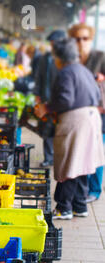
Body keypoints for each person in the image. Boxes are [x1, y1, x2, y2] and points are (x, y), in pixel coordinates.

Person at [34, 38, 105, 220]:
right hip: (91, 119)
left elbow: (66, 100)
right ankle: (80, 206)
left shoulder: (66, 72)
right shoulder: (84, 70)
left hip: (76, 121)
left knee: (68, 163)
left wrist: (46, 108)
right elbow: (97, 95)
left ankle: (64, 207)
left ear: (58, 57)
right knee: (82, 164)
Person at [69, 23, 105, 203]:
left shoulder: (100, 57)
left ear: (91, 39)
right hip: (77, 113)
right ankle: (79, 191)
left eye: (85, 38)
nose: (81, 42)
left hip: (98, 113)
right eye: (77, 39)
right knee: (80, 151)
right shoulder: (71, 59)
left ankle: (94, 190)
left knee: (96, 151)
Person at [33, 30, 67, 168]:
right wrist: (37, 94)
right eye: (52, 43)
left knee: (59, 131)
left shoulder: (66, 59)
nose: (52, 46)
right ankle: (48, 157)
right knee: (46, 129)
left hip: (58, 100)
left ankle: (60, 157)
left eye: (55, 43)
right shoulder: (44, 58)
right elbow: (39, 77)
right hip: (45, 99)